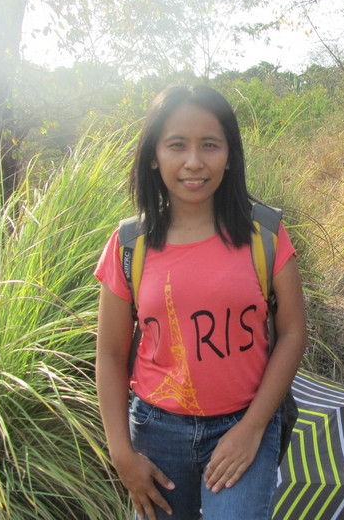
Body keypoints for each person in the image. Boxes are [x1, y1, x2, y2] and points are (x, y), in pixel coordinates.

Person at [94, 85, 307, 520]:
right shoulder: (130, 244)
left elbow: (292, 333)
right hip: (157, 432)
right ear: (154, 156)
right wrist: (121, 455)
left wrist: (252, 429)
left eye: (210, 145)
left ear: (230, 155)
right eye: (176, 145)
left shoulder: (265, 234)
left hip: (245, 422)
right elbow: (111, 353)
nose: (194, 161)